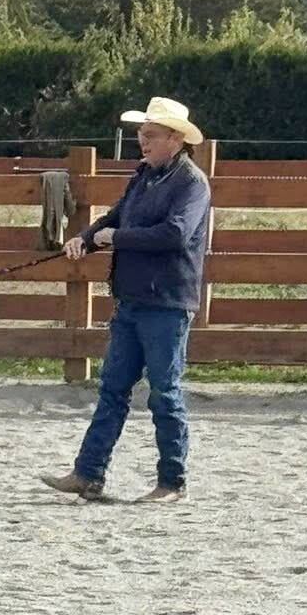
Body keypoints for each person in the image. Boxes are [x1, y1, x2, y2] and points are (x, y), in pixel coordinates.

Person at [42, 97, 212, 503]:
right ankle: (88, 474)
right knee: (112, 388)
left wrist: (114, 238)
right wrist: (86, 238)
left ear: (175, 139)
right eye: (141, 134)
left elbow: (174, 235)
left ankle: (172, 481)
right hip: (132, 300)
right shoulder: (144, 176)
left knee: (164, 392)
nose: (142, 141)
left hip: (167, 303)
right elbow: (116, 217)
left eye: (150, 135)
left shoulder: (192, 184)